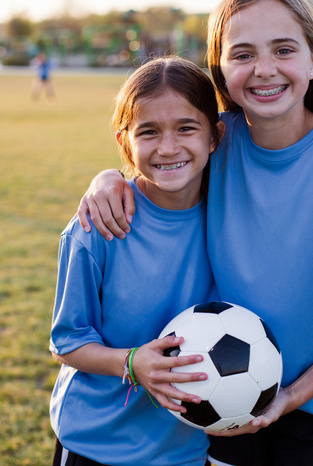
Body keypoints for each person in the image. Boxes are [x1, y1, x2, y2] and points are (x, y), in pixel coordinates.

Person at [75, 1, 313, 465]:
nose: (264, 70)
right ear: (220, 70)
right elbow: (160, 159)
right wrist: (107, 178)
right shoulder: (218, 141)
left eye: (284, 50)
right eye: (243, 54)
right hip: (226, 398)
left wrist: (292, 395)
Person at [49, 56, 226, 466]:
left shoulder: (232, 215)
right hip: (96, 446)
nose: (168, 147)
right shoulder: (97, 227)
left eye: (186, 128)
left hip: (184, 451)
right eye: (149, 132)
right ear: (124, 142)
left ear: (215, 135)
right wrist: (130, 362)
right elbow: (67, 341)